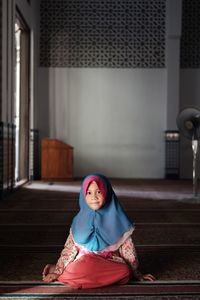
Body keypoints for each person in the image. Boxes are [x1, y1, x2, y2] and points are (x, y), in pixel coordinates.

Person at [42, 173, 155, 289]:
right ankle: (70, 272)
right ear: (83, 195)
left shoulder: (119, 219)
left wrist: (136, 273)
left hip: (108, 261)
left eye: (99, 192)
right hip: (83, 261)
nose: (94, 197)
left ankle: (85, 279)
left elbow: (128, 252)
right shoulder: (78, 221)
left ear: (107, 193)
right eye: (89, 193)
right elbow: (69, 249)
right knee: (80, 267)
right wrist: (58, 271)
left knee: (125, 271)